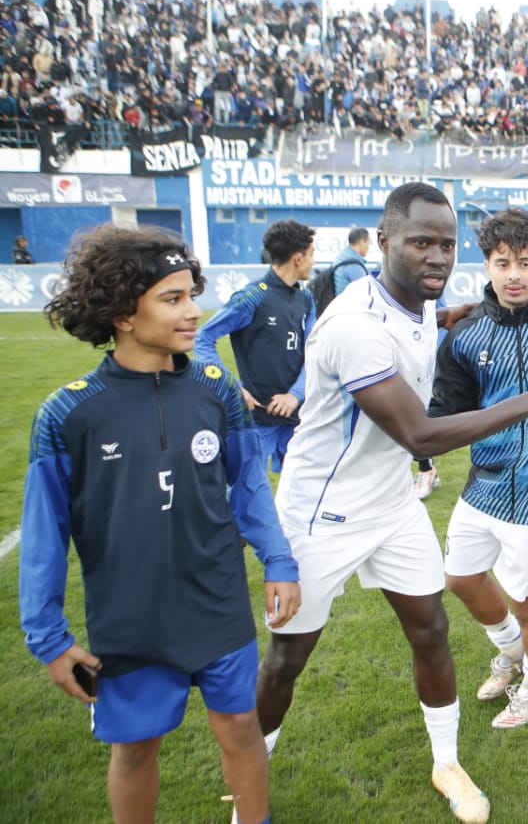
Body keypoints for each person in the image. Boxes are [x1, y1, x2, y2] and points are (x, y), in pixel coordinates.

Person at [255, 182, 528, 824]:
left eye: (446, 245)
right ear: (384, 241)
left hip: (395, 507)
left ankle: (446, 762)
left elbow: (440, 327)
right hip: (322, 515)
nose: (436, 257)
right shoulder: (354, 325)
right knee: (288, 658)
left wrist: (456, 317)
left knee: (432, 629)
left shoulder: (425, 304)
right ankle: (250, 776)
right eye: (421, 242)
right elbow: (419, 434)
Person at [20, 223, 301, 824]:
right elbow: (45, 536)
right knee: (135, 749)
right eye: (172, 299)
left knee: (241, 730)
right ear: (123, 311)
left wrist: (277, 560)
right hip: (131, 614)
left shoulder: (216, 390)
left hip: (217, 599)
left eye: (191, 295)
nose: (193, 312)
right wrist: (47, 636)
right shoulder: (69, 412)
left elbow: (249, 486)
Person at [427, 208, 528, 729]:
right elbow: (446, 410)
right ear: (485, 265)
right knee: (462, 577)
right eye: (502, 262)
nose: (514, 274)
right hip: (482, 484)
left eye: (524, 262)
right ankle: (512, 652)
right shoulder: (466, 332)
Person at [196, 219, 317, 473]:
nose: (313, 261)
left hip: (298, 417)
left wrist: (295, 394)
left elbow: (314, 353)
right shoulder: (253, 297)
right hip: (258, 420)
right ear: (298, 258)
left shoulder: (306, 299)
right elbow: (203, 338)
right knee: (247, 494)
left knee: (301, 494)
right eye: (311, 254)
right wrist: (233, 387)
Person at [332, 226, 372, 296]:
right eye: (368, 243)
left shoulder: (344, 255)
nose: (368, 247)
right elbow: (365, 294)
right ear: (361, 242)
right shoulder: (354, 264)